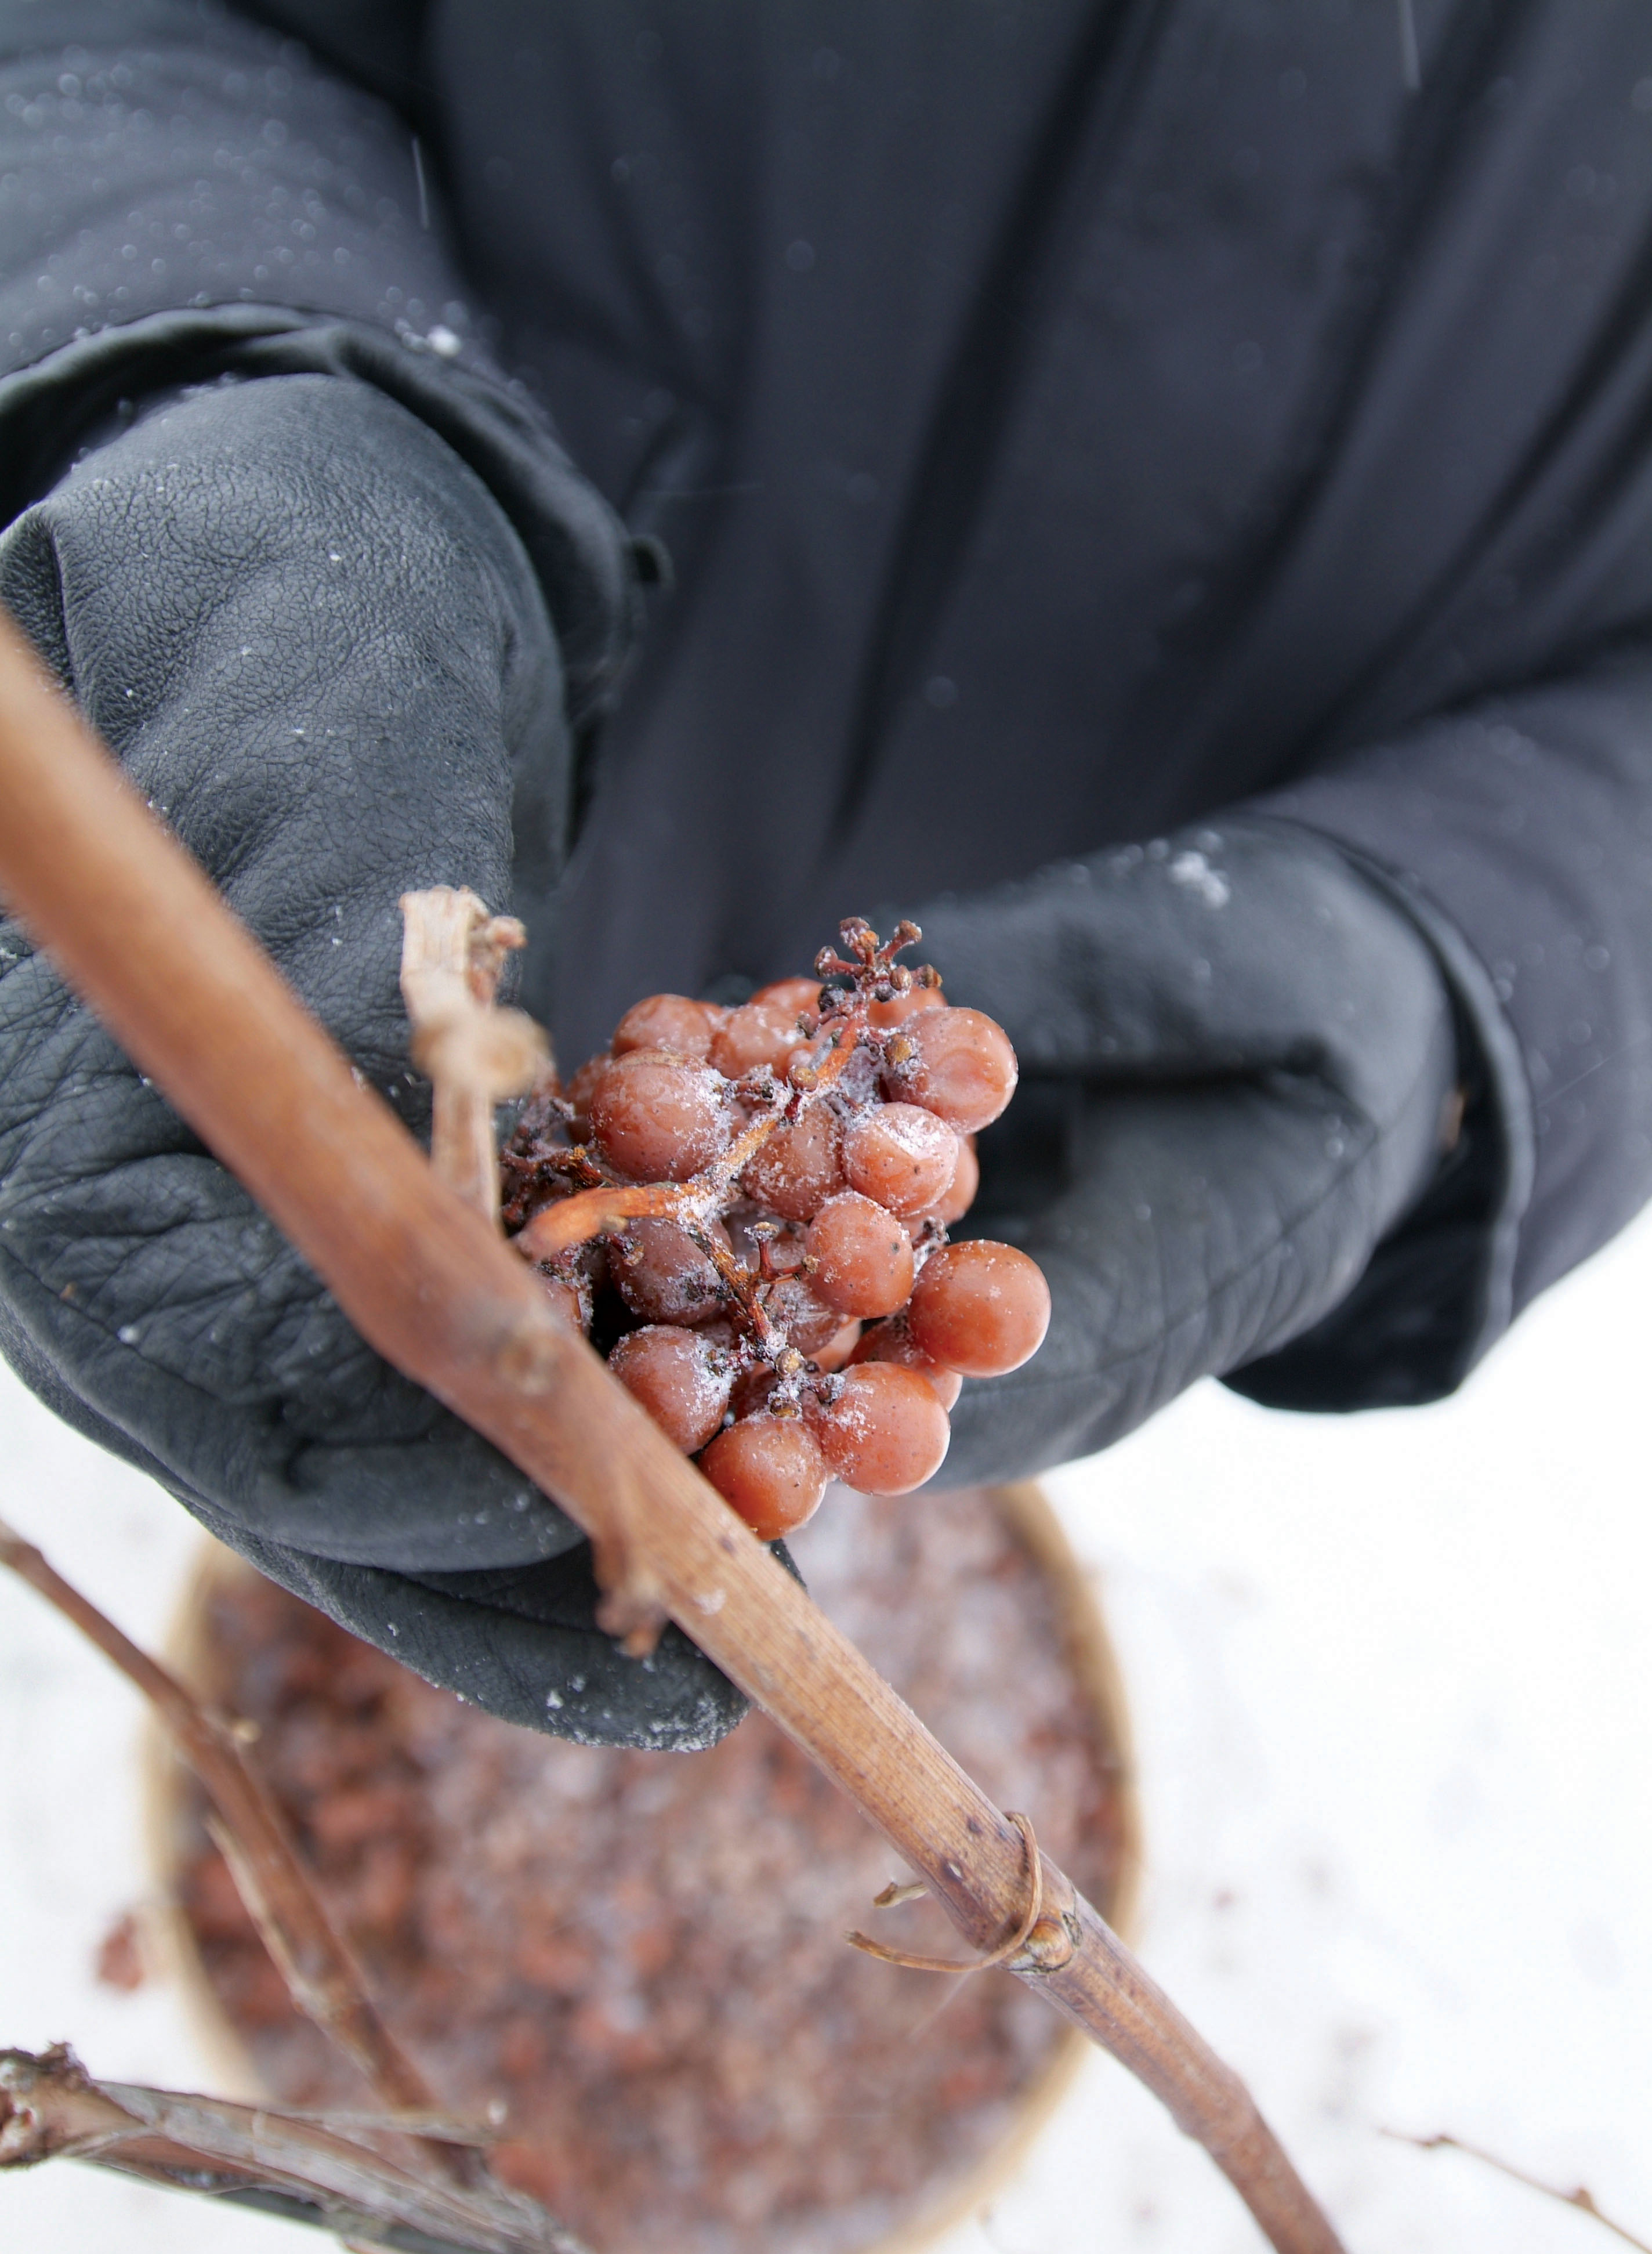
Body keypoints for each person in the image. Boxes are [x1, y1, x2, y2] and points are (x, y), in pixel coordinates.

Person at [2, 2, 1649, 1748]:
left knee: (702, 1413)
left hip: (1120, 932)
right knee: (411, 1336)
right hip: (410, 693)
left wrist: (1483, 958)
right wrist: (190, 378)